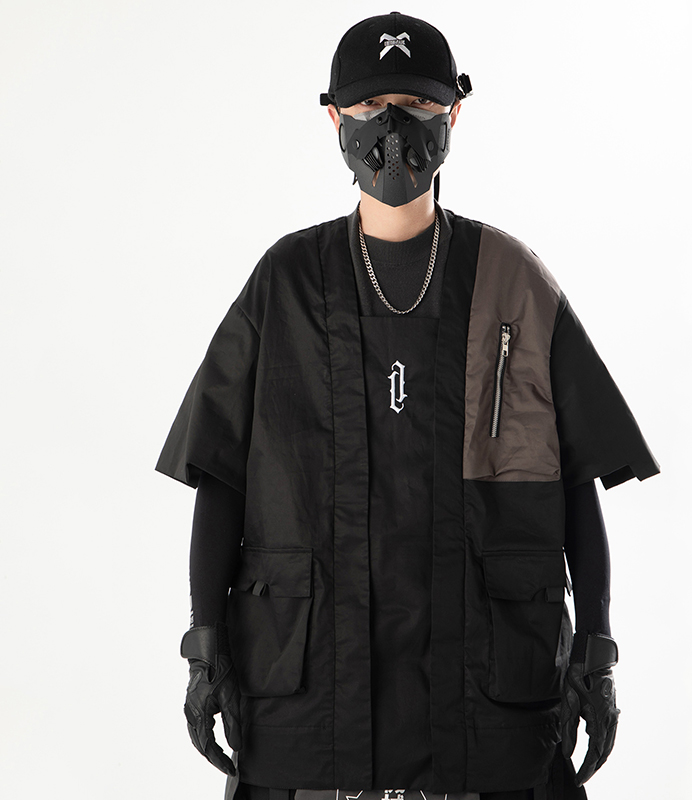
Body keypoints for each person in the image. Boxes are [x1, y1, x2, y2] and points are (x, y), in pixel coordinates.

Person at [155, 12, 660, 800]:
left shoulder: (511, 280)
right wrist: (204, 643)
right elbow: (220, 474)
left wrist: (597, 652)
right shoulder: (285, 282)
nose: (392, 129)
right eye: (368, 107)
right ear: (334, 119)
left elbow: (573, 480)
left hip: (490, 709)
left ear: (455, 114)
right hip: (308, 705)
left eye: (418, 106)